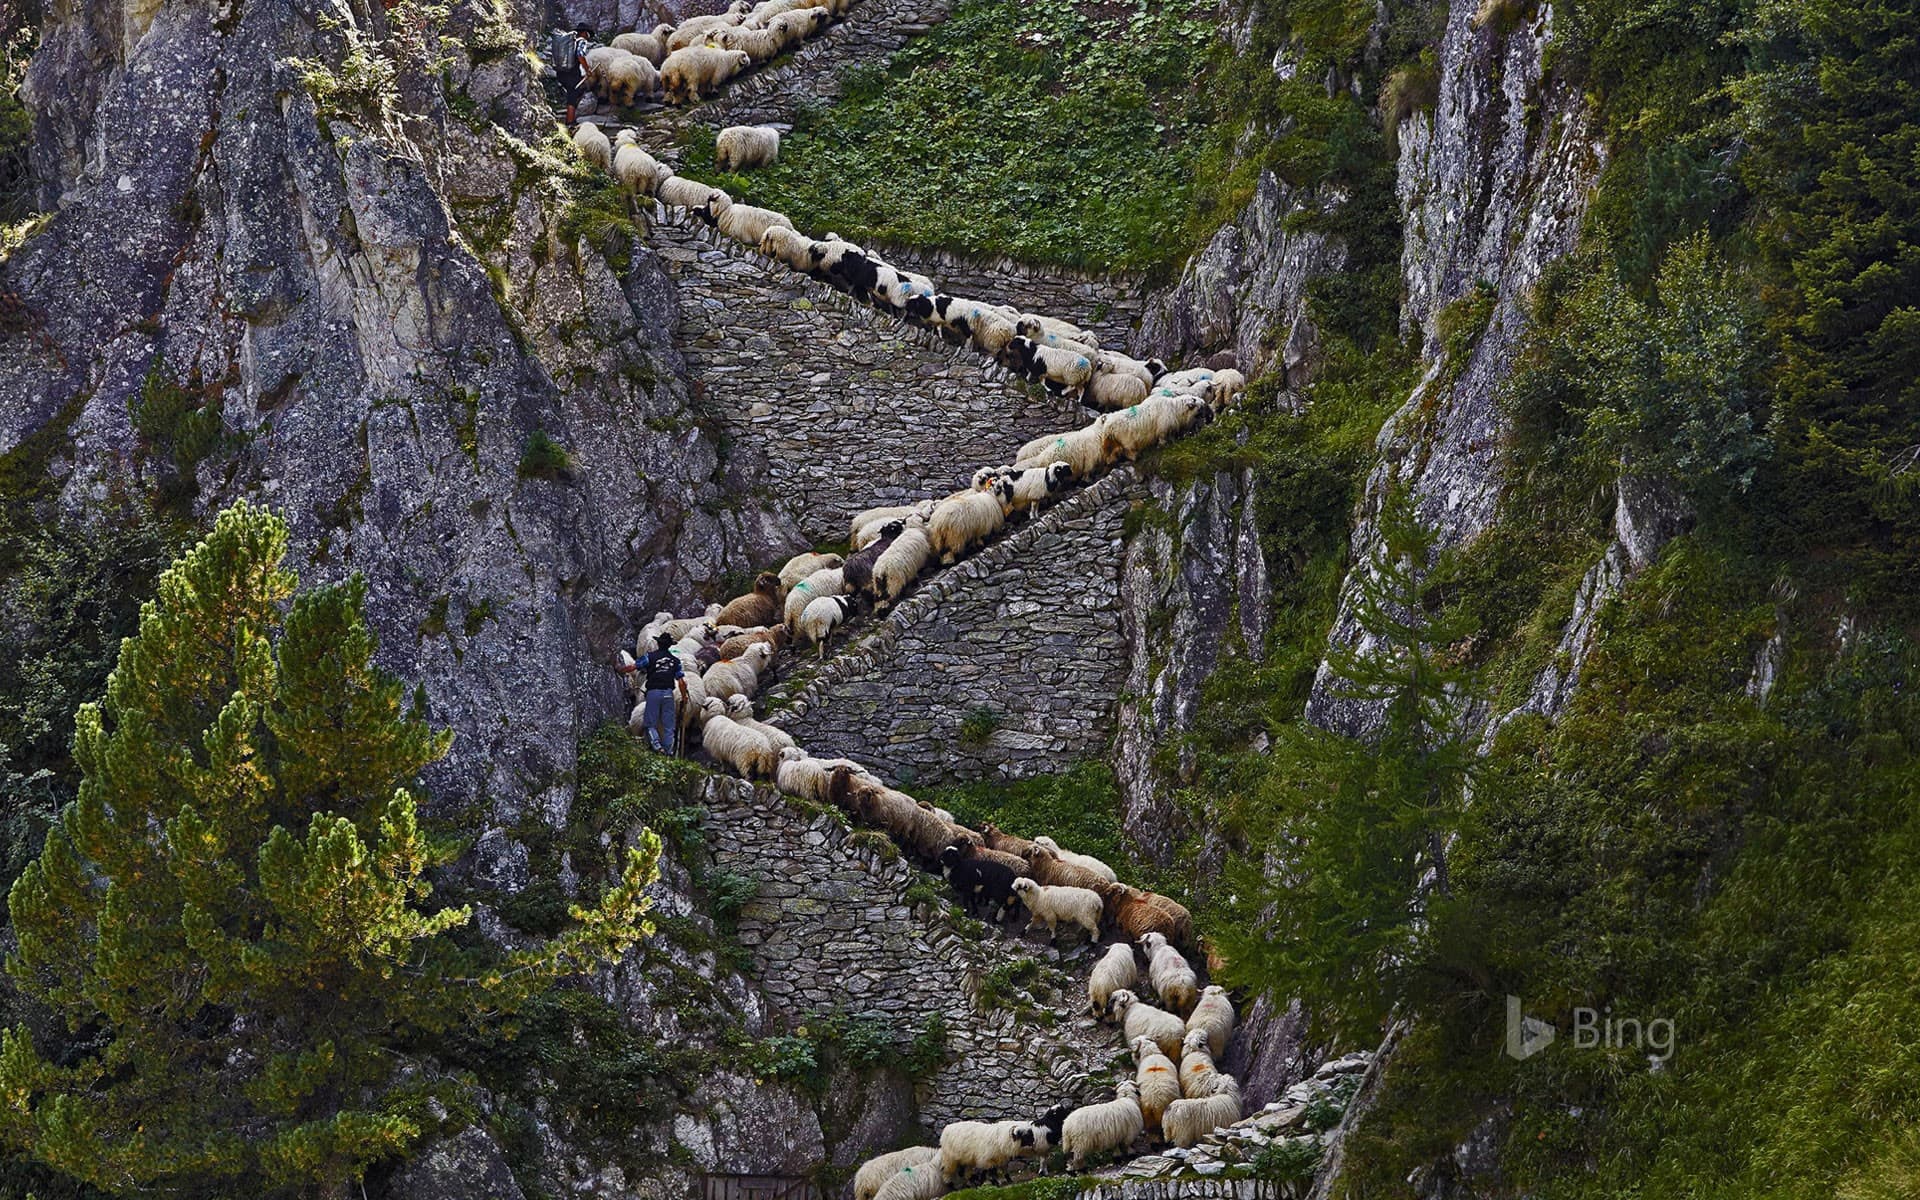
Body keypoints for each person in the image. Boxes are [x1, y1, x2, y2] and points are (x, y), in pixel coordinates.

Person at [638, 633, 688, 754]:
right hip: (668, 694)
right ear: (669, 646)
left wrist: (620, 668)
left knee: (650, 723)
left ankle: (657, 747)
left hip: (653, 693)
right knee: (669, 726)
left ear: (658, 643)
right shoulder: (675, 661)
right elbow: (681, 681)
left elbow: (635, 666)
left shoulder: (649, 657)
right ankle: (668, 752)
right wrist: (684, 696)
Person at [550, 26, 595, 123]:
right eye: (588, 34)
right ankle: (570, 123)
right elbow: (580, 54)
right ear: (584, 32)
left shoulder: (567, 42)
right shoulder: (581, 41)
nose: (588, 37)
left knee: (571, 94)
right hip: (572, 74)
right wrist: (587, 69)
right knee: (572, 98)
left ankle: (566, 117)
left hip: (560, 71)